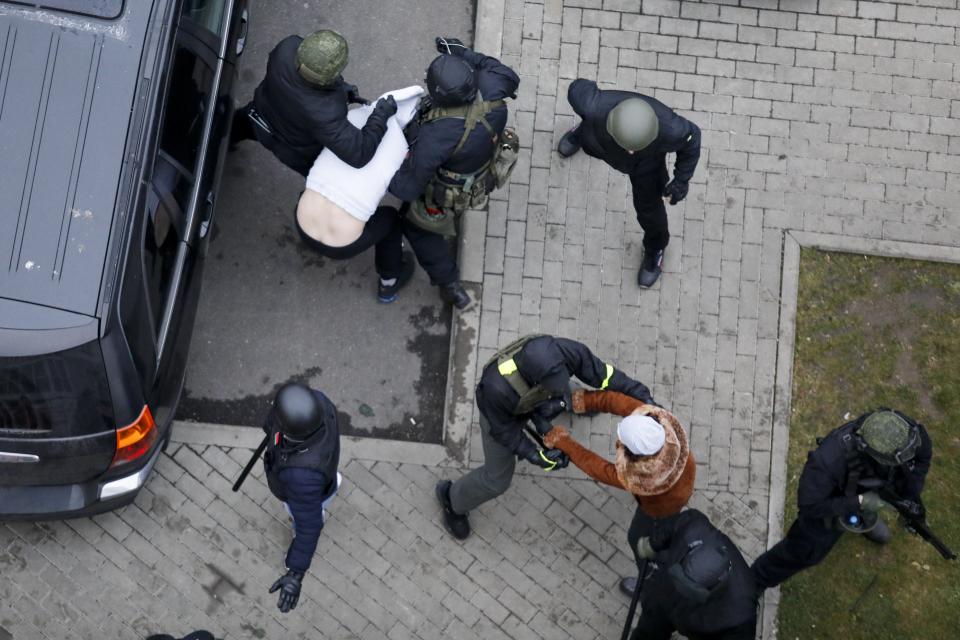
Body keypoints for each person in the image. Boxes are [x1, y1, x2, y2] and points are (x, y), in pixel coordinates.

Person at [435, 334, 654, 540]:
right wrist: (536, 455)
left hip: (539, 394)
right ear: (535, 379)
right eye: (553, 383)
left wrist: (641, 396)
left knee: (571, 392)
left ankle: (575, 404)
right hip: (501, 417)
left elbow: (603, 375)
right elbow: (506, 433)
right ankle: (453, 500)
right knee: (497, 480)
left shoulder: (564, 351)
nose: (559, 384)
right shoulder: (494, 388)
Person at [388, 37, 520, 309]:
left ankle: (451, 287)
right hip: (483, 170)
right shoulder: (495, 83)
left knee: (420, 231)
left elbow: (406, 189)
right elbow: (502, 71)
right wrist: (461, 52)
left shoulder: (436, 136)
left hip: (447, 190)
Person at [751, 409, 932, 590]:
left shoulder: (907, 433)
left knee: (871, 509)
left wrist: (909, 496)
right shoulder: (826, 462)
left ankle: (865, 519)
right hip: (833, 501)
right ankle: (754, 583)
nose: (909, 459)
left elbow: (923, 455)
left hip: (870, 485)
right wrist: (860, 502)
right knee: (803, 552)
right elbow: (810, 506)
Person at [543, 389, 695, 596]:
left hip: (663, 506)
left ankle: (648, 581)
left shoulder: (641, 479)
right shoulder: (658, 421)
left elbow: (600, 469)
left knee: (638, 539)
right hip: (685, 477)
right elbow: (619, 402)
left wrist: (565, 443)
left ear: (637, 454)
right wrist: (585, 401)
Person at [558, 79, 701, 287]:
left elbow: (693, 139)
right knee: (590, 127)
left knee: (649, 212)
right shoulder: (590, 104)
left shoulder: (671, 128)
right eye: (629, 147)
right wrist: (588, 117)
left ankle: (655, 249)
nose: (631, 151)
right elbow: (577, 87)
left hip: (646, 168)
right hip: (598, 138)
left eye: (635, 147)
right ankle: (580, 133)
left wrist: (681, 181)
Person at [295, 86, 426, 302]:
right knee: (391, 220)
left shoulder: (352, 117)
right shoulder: (401, 147)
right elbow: (402, 186)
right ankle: (389, 282)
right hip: (342, 246)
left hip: (302, 223)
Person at [232, 30, 398, 176]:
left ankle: (221, 141)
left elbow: (304, 85)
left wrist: (342, 91)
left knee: (232, 127)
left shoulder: (286, 47)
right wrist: (381, 115)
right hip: (292, 150)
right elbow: (359, 153)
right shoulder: (326, 113)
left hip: (257, 115)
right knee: (319, 179)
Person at [262, 383, 342, 613]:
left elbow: (310, 525)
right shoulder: (320, 402)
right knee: (327, 486)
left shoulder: (301, 477)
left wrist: (295, 571)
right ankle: (333, 484)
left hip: (312, 490)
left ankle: (324, 502)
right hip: (325, 475)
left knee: (301, 516)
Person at [625, 509, 759, 640]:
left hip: (696, 623)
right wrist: (653, 544)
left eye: (688, 590)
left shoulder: (741, 616)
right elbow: (674, 525)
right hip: (664, 596)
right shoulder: (693, 525)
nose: (681, 591)